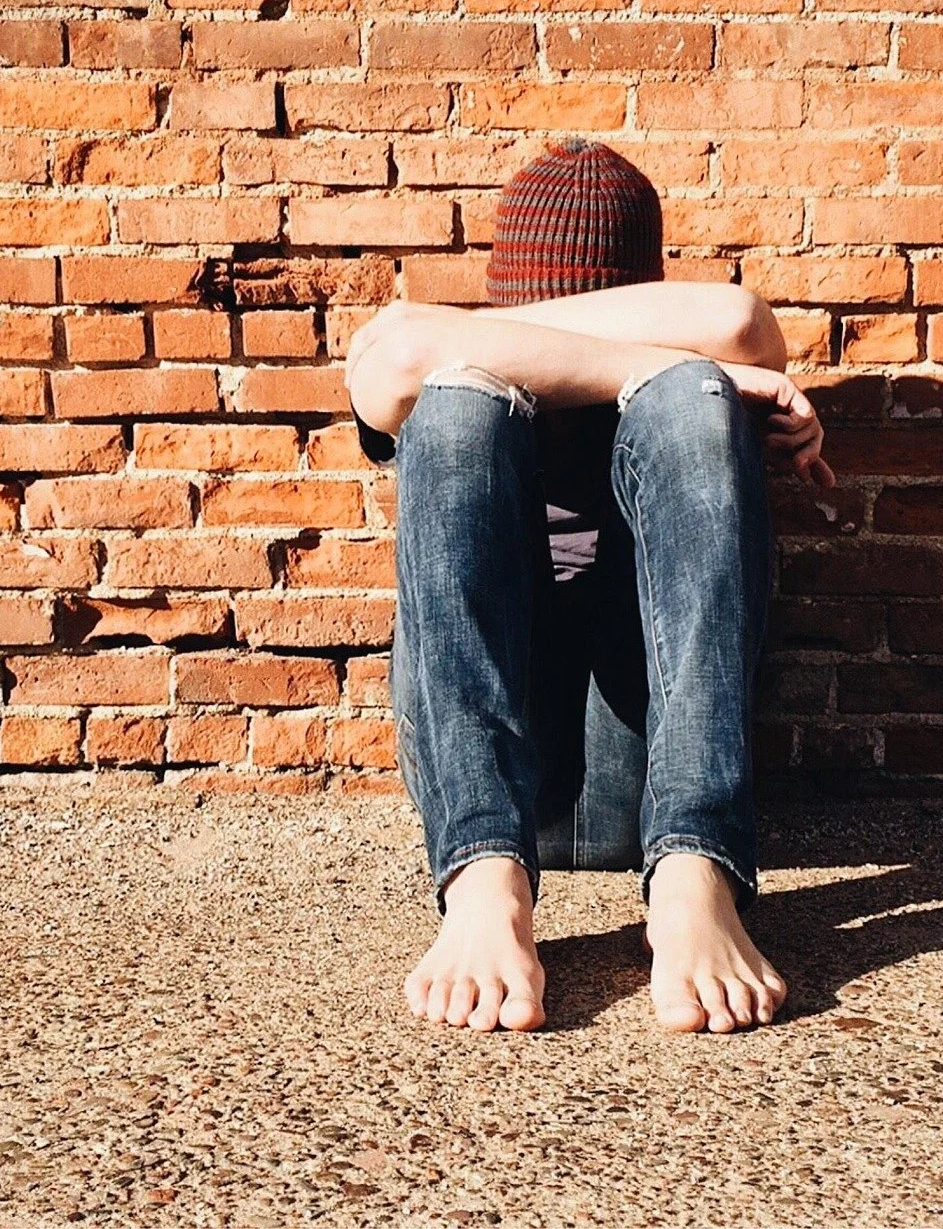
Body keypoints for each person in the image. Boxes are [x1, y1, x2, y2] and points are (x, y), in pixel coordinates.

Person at [343, 139, 836, 1034]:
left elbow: (733, 319)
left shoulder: (685, 370)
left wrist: (690, 377)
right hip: (483, 786)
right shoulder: (455, 374)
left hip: (648, 772)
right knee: (455, 406)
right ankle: (485, 886)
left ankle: (696, 878)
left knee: (689, 401)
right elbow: (400, 354)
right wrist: (660, 360)